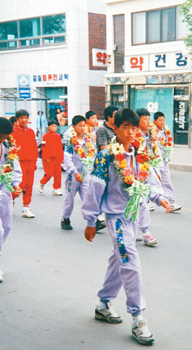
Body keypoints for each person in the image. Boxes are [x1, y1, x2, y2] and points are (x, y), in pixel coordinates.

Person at [81, 108, 171, 345]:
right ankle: (138, 317)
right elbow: (95, 189)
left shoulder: (140, 151)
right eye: (126, 127)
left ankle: (103, 303)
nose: (131, 132)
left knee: (118, 259)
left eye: (134, 127)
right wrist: (91, 221)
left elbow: (147, 181)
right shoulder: (106, 156)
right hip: (116, 218)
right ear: (115, 129)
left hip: (136, 215)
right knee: (130, 261)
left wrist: (158, 197)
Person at [61, 115, 105, 232]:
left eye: (83, 126)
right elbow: (67, 158)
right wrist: (75, 172)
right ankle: (65, 218)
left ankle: (94, 221)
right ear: (74, 127)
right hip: (73, 175)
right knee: (69, 199)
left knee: (88, 197)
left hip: (86, 173)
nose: (82, 128)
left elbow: (92, 155)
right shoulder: (71, 142)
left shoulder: (88, 139)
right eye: (79, 126)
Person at [0, 118, 22, 282]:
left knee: (6, 226)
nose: (3, 139)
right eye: (1, 136)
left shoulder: (7, 146)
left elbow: (14, 167)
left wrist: (15, 184)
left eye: (5, 136)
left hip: (4, 190)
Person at [134, 108, 161, 246]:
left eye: (149, 119)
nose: (148, 122)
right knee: (139, 202)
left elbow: (155, 153)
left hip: (147, 171)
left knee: (141, 201)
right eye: (145, 119)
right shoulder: (133, 136)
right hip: (134, 173)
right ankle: (145, 232)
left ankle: (141, 230)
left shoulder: (150, 134)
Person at [153, 111, 181, 212]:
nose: (162, 122)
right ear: (154, 121)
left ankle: (171, 202)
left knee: (167, 180)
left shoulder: (165, 131)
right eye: (160, 120)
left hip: (163, 160)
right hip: (154, 161)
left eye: (163, 120)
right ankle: (145, 202)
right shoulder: (152, 132)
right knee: (152, 181)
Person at [12, 109, 38, 218]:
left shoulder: (31, 131)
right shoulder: (13, 132)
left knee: (29, 185)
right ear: (17, 119)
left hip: (30, 161)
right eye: (21, 118)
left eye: (25, 117)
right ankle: (11, 201)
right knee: (20, 185)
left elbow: (34, 146)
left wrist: (35, 160)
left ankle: (26, 207)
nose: (24, 120)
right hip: (19, 162)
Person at [38, 120, 63, 196]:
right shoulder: (46, 136)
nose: (54, 128)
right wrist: (46, 157)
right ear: (48, 127)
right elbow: (44, 147)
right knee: (49, 173)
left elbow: (60, 147)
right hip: (49, 158)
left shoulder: (58, 136)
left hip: (57, 158)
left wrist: (61, 158)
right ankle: (42, 183)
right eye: (52, 126)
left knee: (58, 174)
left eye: (55, 126)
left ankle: (56, 189)